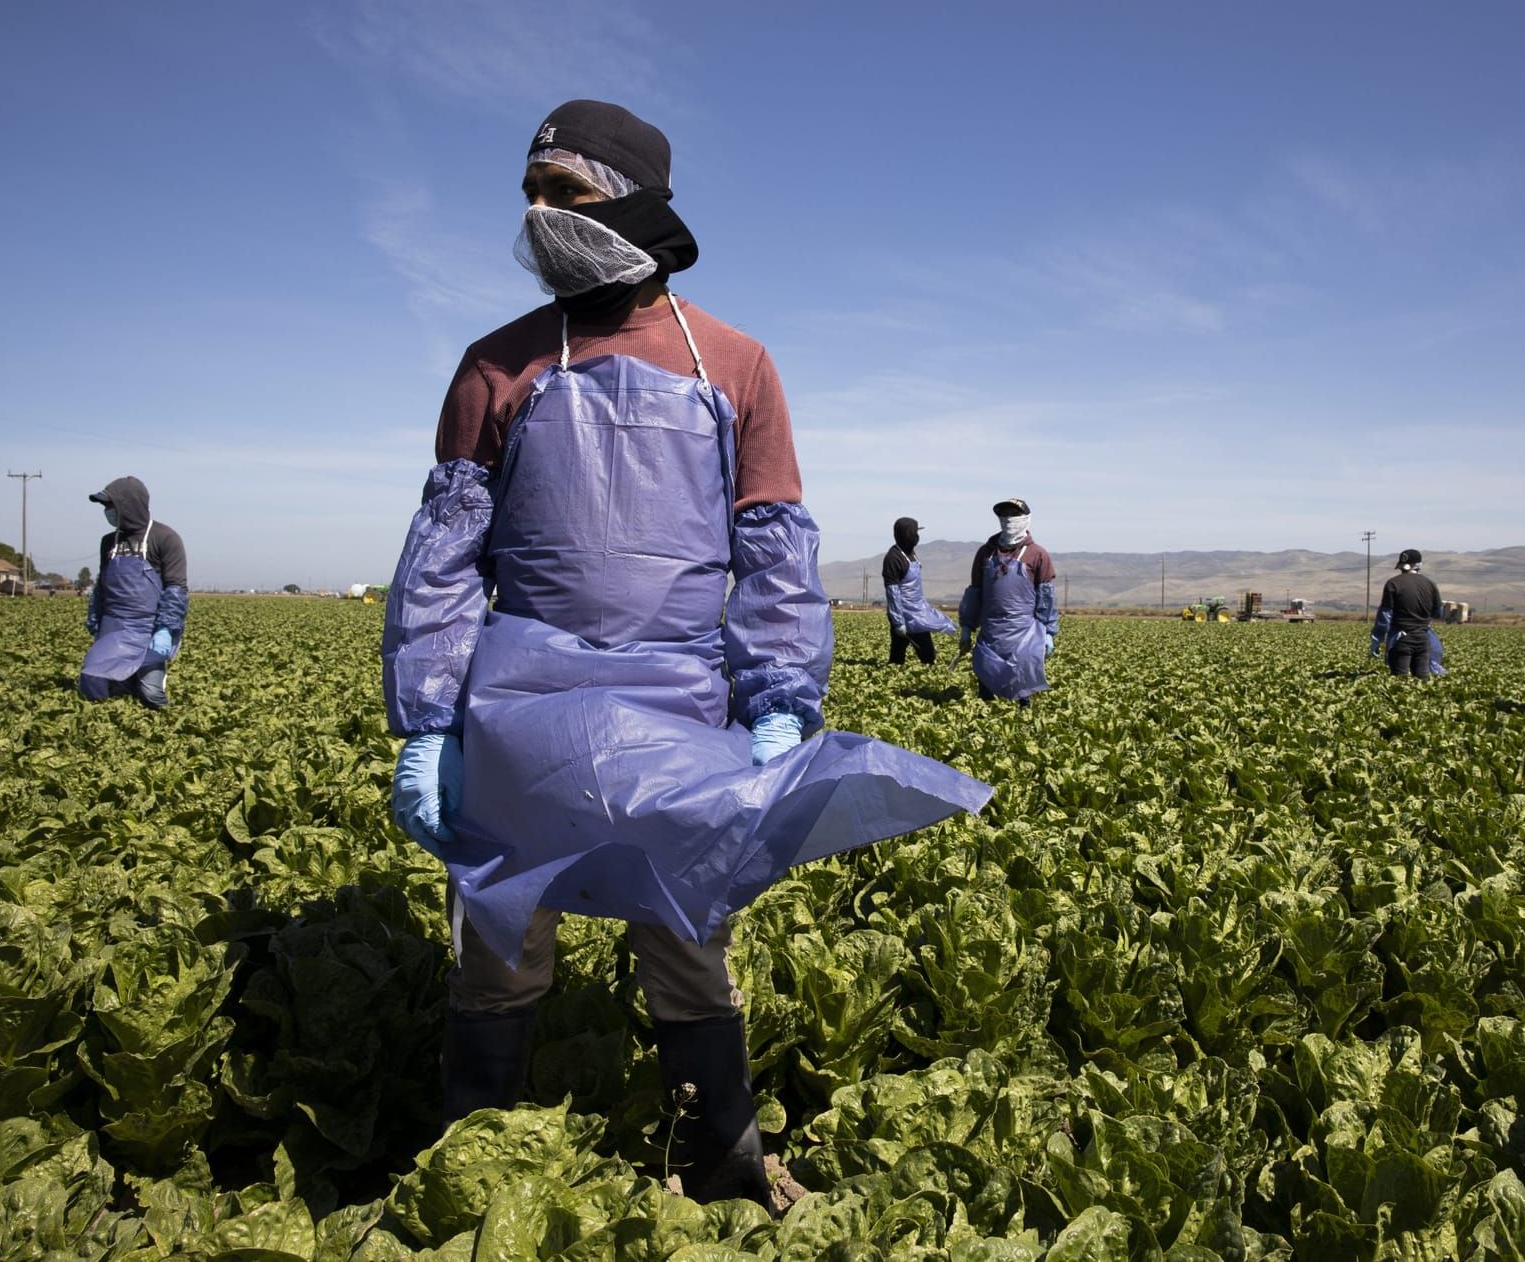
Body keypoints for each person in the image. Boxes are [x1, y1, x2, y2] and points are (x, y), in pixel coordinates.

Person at [380, 99, 990, 1207]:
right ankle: (475, 1167)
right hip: (519, 700)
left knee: (684, 928)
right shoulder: (495, 366)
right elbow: (442, 556)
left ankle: (721, 1155)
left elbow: (772, 550)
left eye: (562, 193)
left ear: (631, 198)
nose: (538, 215)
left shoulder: (737, 365)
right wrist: (429, 720)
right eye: (529, 193)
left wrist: (777, 699)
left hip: (674, 697)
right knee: (499, 936)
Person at [79, 477, 187, 709]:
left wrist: (165, 629)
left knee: (151, 695)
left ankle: (145, 678)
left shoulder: (165, 537)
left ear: (128, 505)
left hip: (148, 629)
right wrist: (95, 620)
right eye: (105, 506)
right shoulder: (108, 542)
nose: (108, 511)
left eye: (111, 505)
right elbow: (102, 586)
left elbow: (176, 588)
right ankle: (125, 681)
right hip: (114, 627)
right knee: (92, 685)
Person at [958, 498, 1058, 704]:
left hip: (1023, 633)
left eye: (1014, 515)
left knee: (1021, 681)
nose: (1009, 520)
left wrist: (1048, 631)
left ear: (1026, 519)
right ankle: (985, 715)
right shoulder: (985, 553)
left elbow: (1046, 597)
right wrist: (967, 627)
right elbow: (974, 593)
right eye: (1004, 515)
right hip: (991, 630)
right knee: (986, 676)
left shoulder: (1037, 554)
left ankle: (1024, 718)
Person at [883, 517, 955, 664]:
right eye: (915, 533)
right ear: (907, 535)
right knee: (899, 653)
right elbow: (893, 592)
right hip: (903, 613)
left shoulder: (911, 553)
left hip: (917, 611)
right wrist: (898, 621)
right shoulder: (893, 558)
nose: (917, 537)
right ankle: (894, 676)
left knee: (926, 653)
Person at [1371, 549, 1443, 678]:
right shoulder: (1430, 584)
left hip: (1401, 639)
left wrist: (1377, 638)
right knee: (1422, 678)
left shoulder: (1393, 583)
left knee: (1400, 680)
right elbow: (1438, 613)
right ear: (1418, 565)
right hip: (1423, 638)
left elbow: (1385, 615)